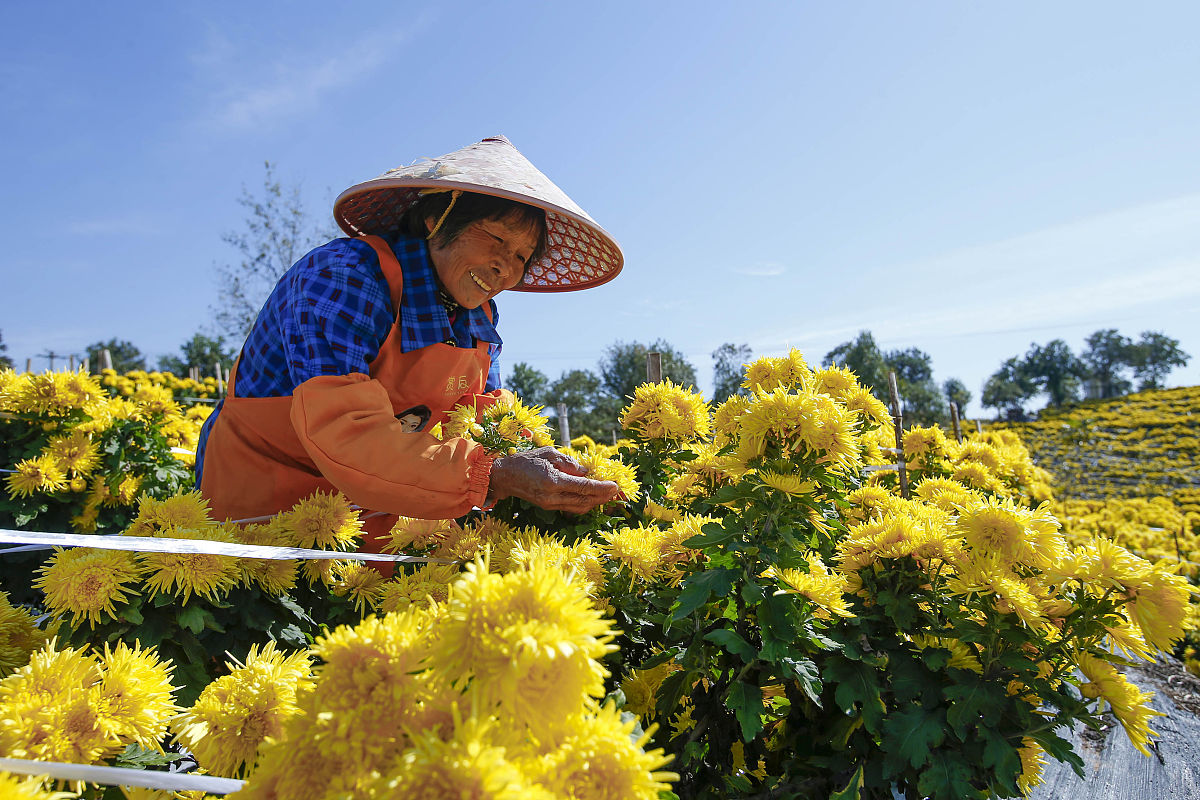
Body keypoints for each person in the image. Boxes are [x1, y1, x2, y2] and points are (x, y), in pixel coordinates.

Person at [196, 136, 624, 553]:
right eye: (496, 240)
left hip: (381, 516)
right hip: (263, 516)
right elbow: (345, 432)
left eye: (521, 257)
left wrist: (556, 471)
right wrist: (494, 474)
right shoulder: (346, 278)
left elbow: (488, 418)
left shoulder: (480, 316)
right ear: (436, 220)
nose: (505, 269)